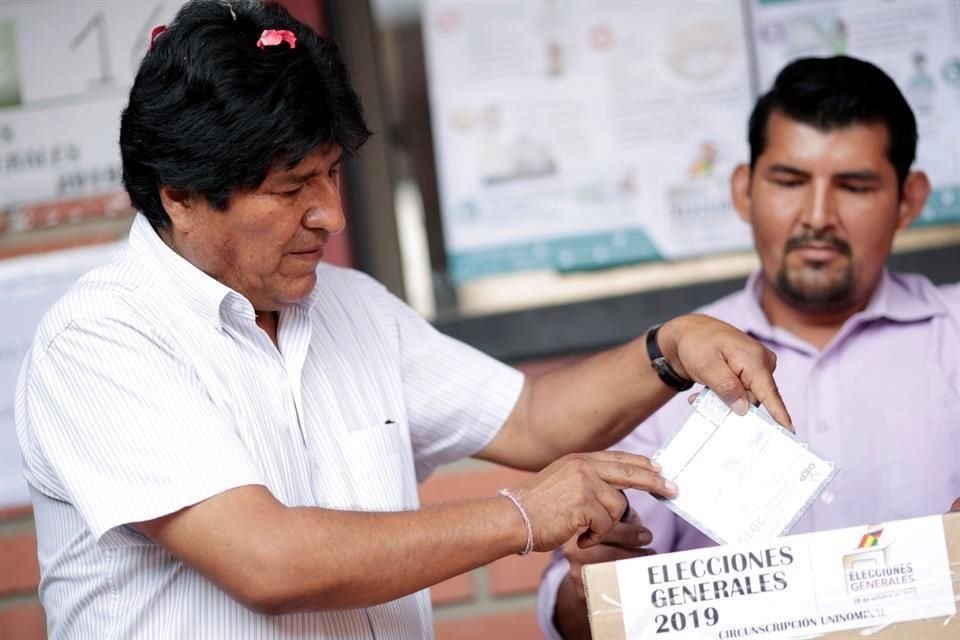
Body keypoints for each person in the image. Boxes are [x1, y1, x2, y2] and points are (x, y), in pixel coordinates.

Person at [13, 2, 789, 638]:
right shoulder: (100, 343)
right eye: (291, 189)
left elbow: (530, 419)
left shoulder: (350, 307)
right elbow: (269, 562)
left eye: (334, 174)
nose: (330, 214)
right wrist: (523, 515)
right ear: (179, 193)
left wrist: (671, 348)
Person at [538, 55, 960, 639]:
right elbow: (575, 610)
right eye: (790, 182)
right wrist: (594, 584)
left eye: (855, 186)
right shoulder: (667, 368)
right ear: (744, 190)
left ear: (909, 200)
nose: (818, 217)